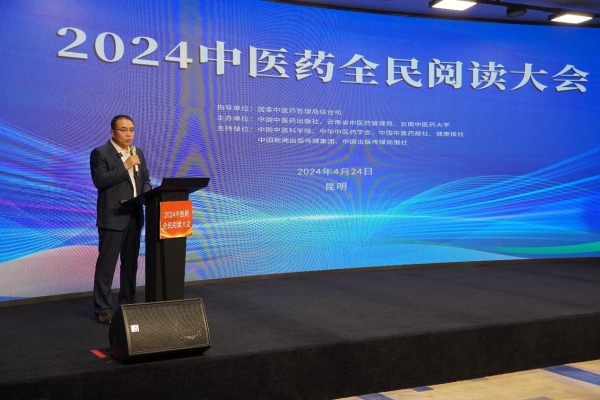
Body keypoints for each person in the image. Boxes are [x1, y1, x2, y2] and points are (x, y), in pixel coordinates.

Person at [90, 115, 151, 324]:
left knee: (130, 264)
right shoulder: (100, 153)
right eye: (123, 130)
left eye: (131, 130)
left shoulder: (137, 152)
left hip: (134, 216)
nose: (129, 134)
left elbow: (145, 179)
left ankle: (128, 302)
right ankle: (102, 308)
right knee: (106, 265)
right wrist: (125, 166)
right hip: (112, 217)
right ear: (113, 132)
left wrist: (147, 194)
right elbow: (100, 181)